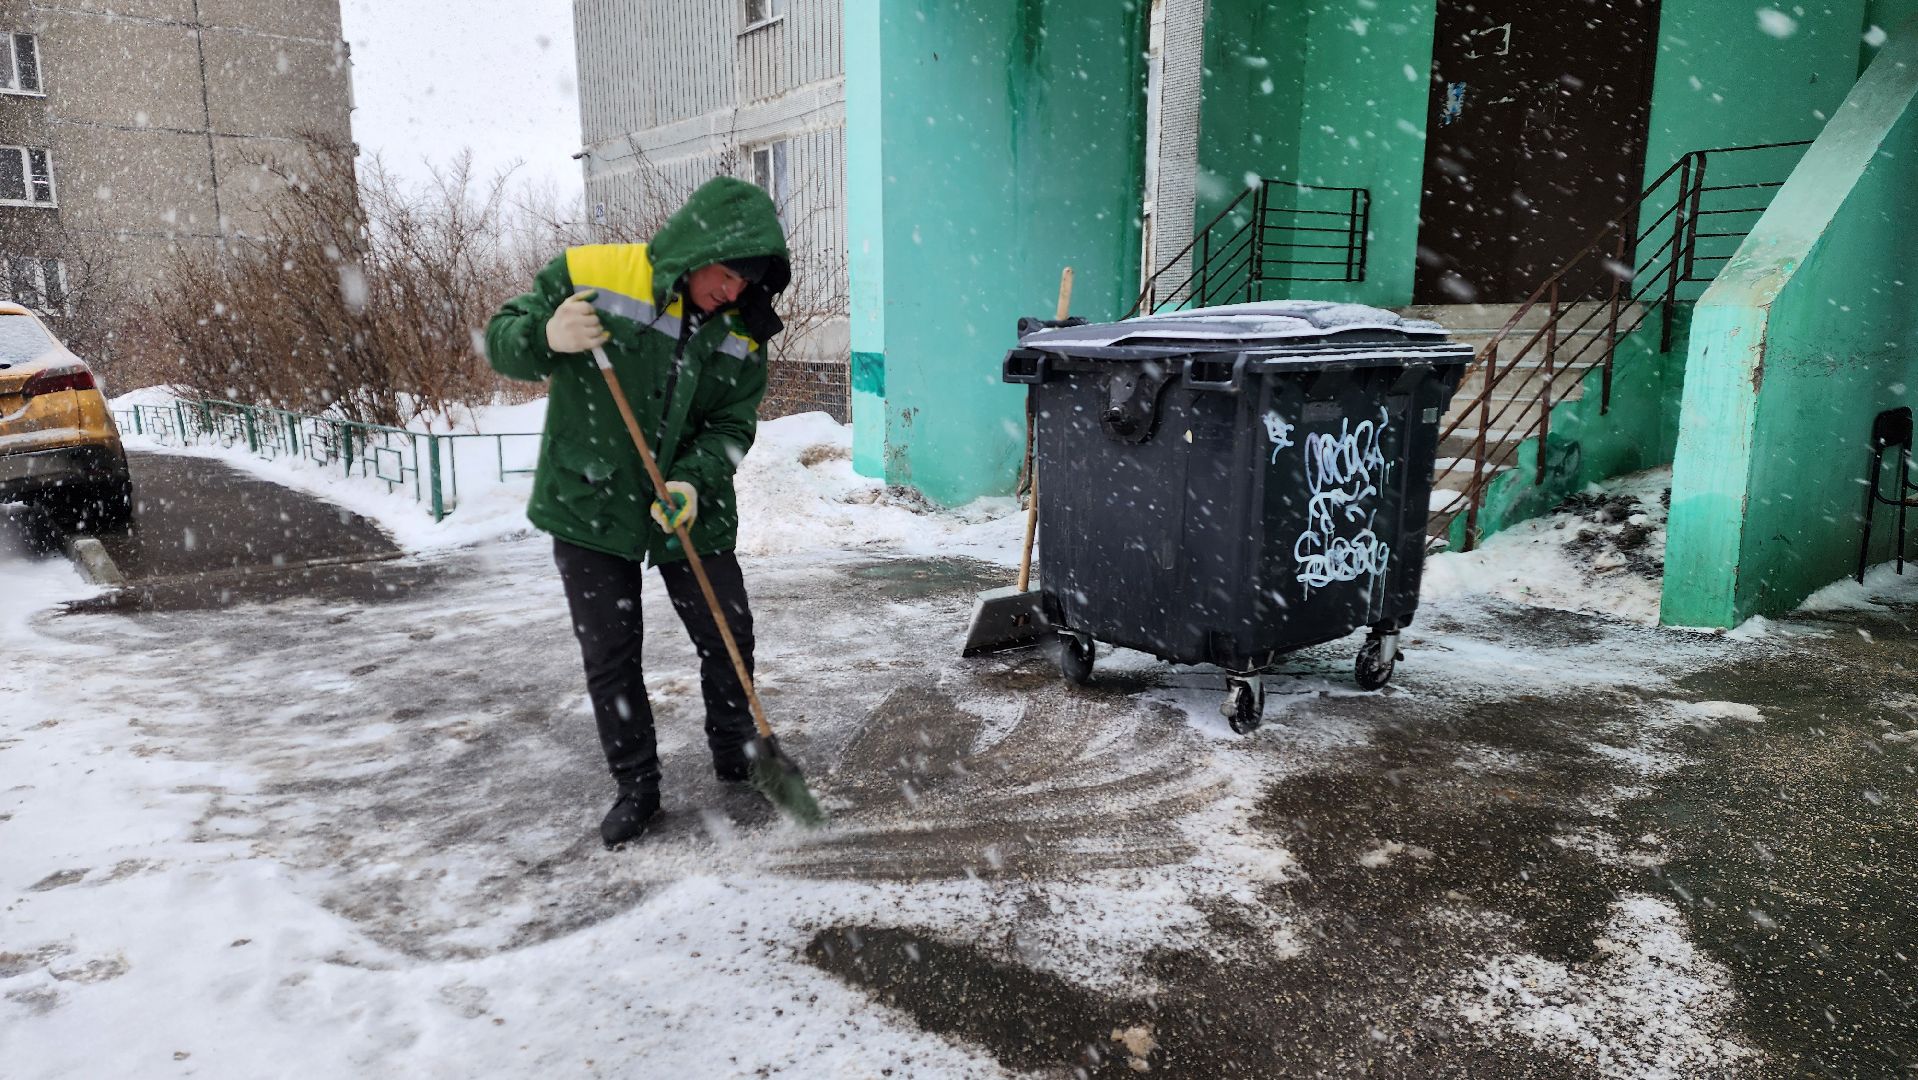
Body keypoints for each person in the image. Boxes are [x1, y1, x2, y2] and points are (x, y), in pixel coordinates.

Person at [485, 176, 791, 847]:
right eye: (729, 275)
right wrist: (547, 335)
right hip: (590, 498)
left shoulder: (744, 329)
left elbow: (732, 426)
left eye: (749, 282)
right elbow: (499, 340)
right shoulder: (590, 275)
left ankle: (735, 745)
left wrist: (691, 480)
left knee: (727, 629)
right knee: (612, 652)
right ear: (698, 248)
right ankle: (637, 785)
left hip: (687, 501)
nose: (735, 292)